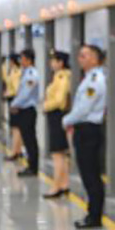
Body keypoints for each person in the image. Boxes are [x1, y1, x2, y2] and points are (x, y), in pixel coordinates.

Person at [63, 45, 107, 229]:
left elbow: (84, 108)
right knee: (88, 174)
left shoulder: (95, 80)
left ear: (95, 59)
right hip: (84, 129)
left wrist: (66, 120)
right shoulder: (89, 77)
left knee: (91, 175)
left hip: (89, 130)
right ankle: (92, 214)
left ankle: (94, 217)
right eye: (80, 55)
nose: (80, 58)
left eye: (84, 55)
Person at [43, 50, 72, 198]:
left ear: (61, 63)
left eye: (54, 60)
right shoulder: (60, 76)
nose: (51, 63)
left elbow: (60, 101)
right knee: (61, 153)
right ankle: (64, 184)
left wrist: (46, 106)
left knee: (57, 154)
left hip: (57, 115)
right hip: (57, 115)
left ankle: (56, 186)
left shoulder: (62, 77)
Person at [11, 49, 40, 177]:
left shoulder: (32, 74)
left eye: (22, 59)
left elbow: (26, 93)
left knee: (30, 139)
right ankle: (31, 165)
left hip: (28, 110)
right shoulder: (26, 72)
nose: (20, 61)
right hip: (23, 110)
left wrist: (15, 104)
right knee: (27, 140)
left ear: (29, 60)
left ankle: (33, 167)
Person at [3, 54, 22, 161]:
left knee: (15, 128)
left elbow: (16, 89)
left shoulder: (15, 72)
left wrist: (8, 93)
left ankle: (15, 151)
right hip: (15, 100)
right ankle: (17, 150)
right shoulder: (15, 70)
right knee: (16, 127)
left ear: (12, 61)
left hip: (14, 100)